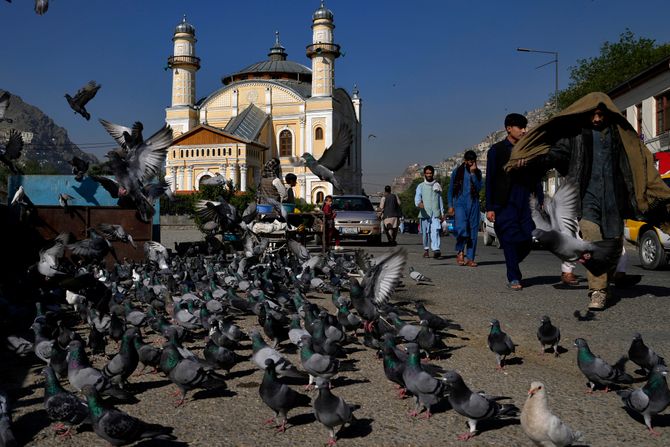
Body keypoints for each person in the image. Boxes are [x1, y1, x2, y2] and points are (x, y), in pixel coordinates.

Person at [508, 92, 670, 309]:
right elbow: (554, 155)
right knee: (593, 242)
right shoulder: (576, 136)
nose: (596, 119)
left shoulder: (620, 136)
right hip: (586, 198)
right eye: (592, 114)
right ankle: (597, 291)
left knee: (612, 246)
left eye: (600, 115)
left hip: (614, 200)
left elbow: (639, 161)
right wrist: (530, 162)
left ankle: (605, 282)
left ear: (607, 115)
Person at [485, 113, 544, 291]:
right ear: (509, 128)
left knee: (527, 237)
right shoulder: (497, 150)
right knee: (510, 238)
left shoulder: (528, 149)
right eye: (520, 127)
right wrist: (490, 207)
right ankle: (514, 276)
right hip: (504, 201)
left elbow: (537, 175)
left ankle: (512, 261)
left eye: (525, 127)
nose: (524, 131)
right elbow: (491, 179)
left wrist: (540, 197)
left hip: (523, 199)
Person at [448, 150, 482, 267]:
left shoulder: (477, 173)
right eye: (469, 161)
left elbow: (478, 188)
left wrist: (473, 174)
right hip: (460, 204)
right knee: (462, 228)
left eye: (473, 161)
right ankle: (460, 251)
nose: (471, 164)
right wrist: (450, 205)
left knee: (473, 232)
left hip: (474, 205)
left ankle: (470, 258)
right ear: (465, 161)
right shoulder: (456, 172)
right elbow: (451, 190)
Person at [414, 165, 445, 258]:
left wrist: (442, 213)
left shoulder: (437, 185)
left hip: (435, 213)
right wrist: (419, 204)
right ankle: (426, 249)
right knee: (425, 233)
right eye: (427, 173)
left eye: (430, 173)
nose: (429, 175)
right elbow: (417, 198)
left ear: (433, 174)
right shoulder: (420, 186)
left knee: (435, 230)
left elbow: (440, 200)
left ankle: (436, 249)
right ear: (424, 174)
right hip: (424, 213)